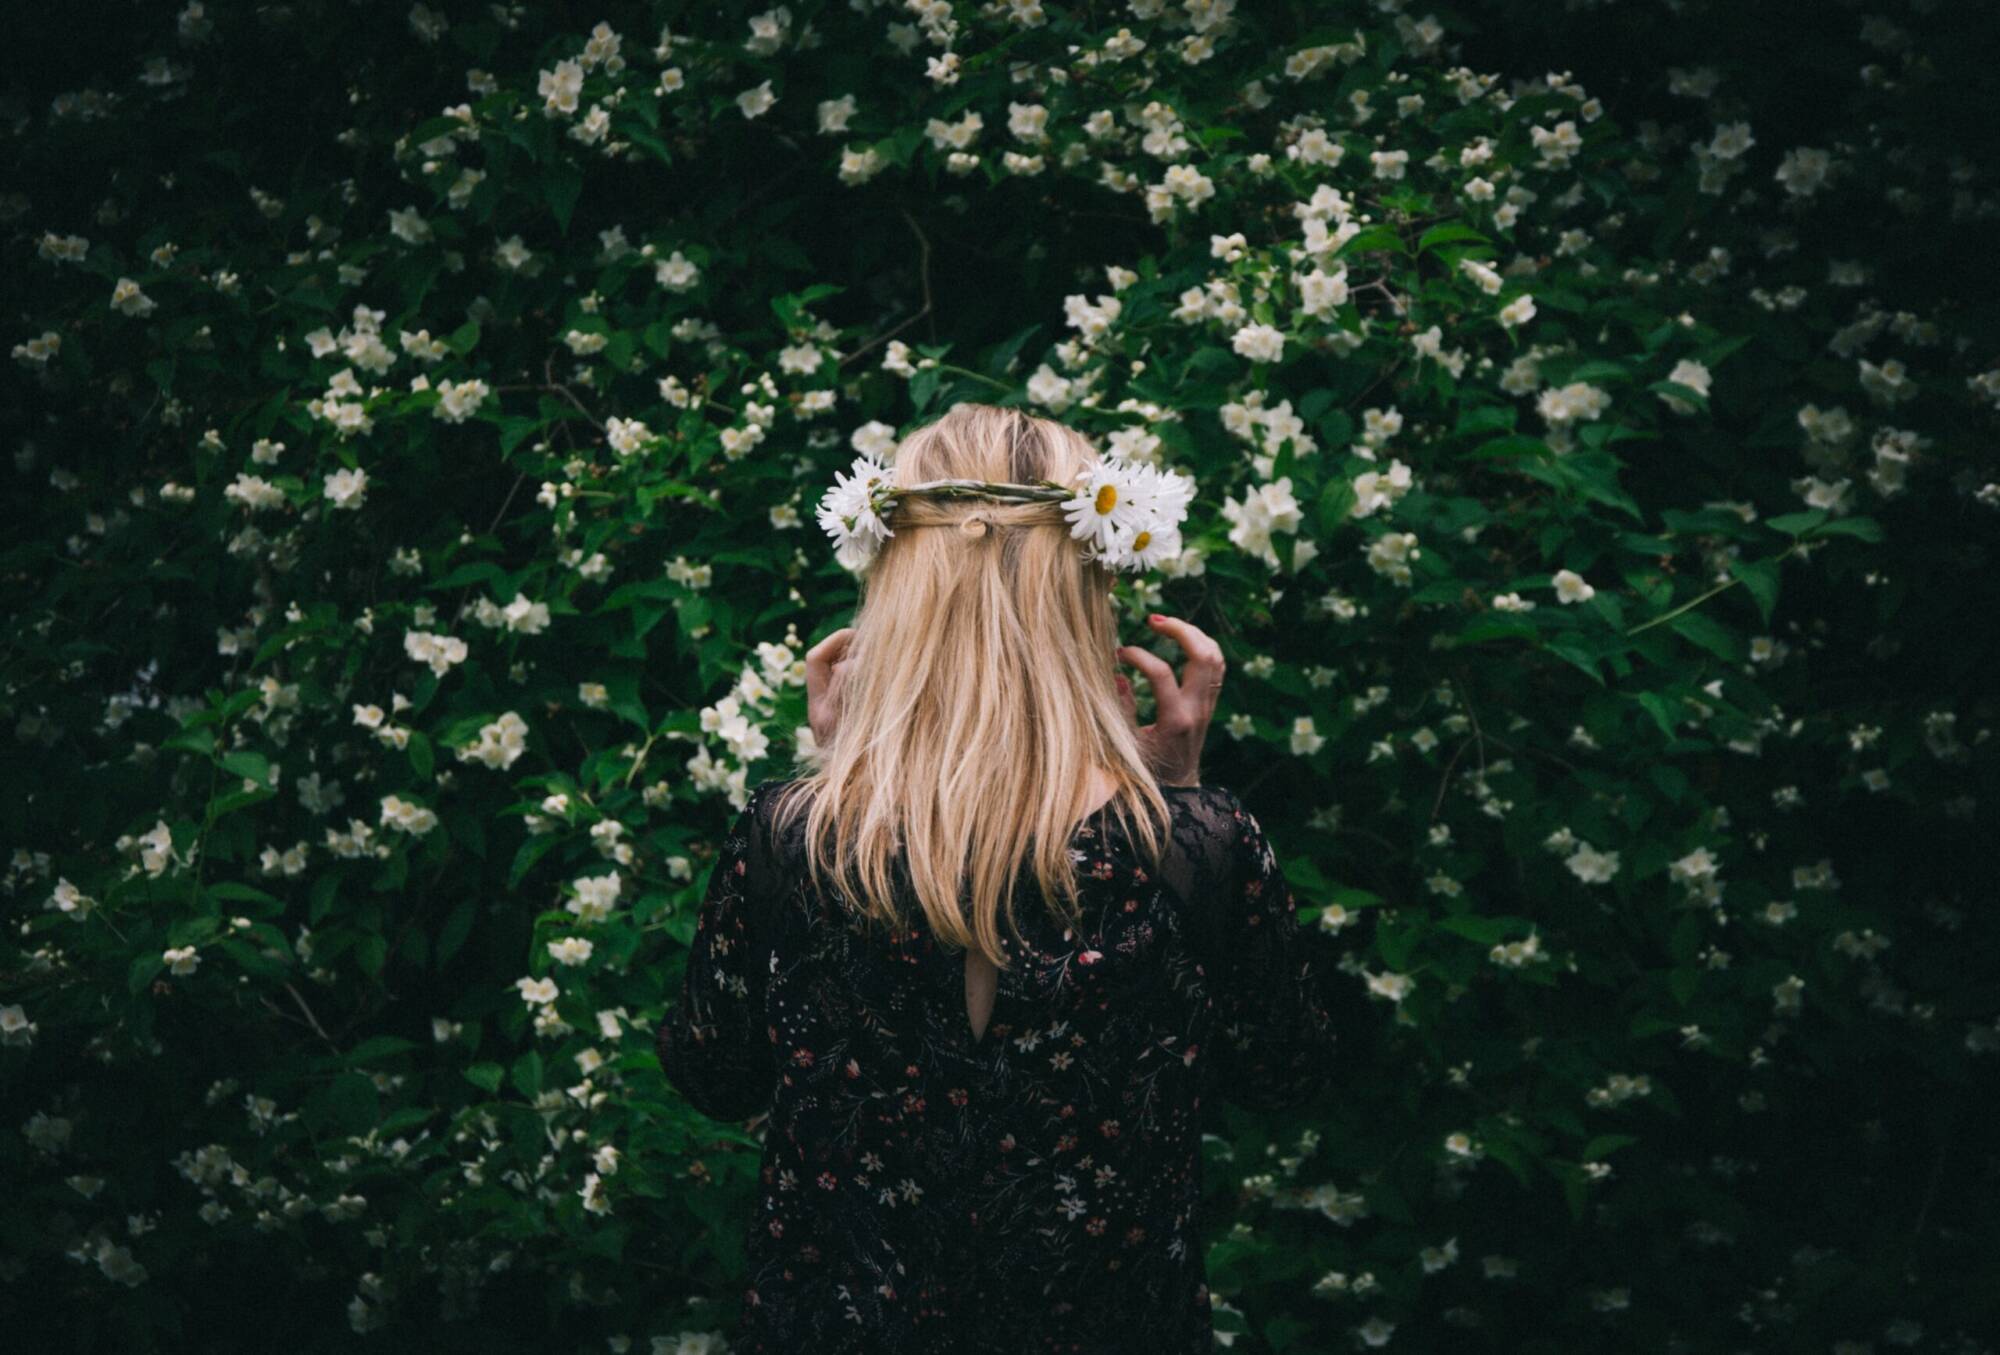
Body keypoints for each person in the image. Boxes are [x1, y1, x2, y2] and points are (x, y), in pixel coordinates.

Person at [656, 403, 1341, 1353]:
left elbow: (712, 1073)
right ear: (1090, 585)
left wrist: (840, 780)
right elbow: (1284, 1071)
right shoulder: (1199, 848)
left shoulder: (790, 839)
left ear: (898, 585)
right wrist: (1175, 801)